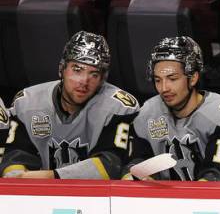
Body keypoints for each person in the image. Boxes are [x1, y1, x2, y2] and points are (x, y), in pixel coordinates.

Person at [0, 31, 140, 179]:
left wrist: (51, 177)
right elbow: (15, 155)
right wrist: (15, 176)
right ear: (61, 69)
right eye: (77, 70)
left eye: (94, 74)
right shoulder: (27, 102)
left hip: (98, 199)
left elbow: (112, 164)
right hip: (39, 196)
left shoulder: (119, 107)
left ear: (102, 79)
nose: (84, 81)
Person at [126, 36, 220, 181]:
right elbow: (136, 163)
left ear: (193, 78)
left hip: (210, 201)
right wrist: (137, 176)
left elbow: (219, 176)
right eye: (158, 80)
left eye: (173, 79)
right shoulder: (147, 113)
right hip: (161, 200)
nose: (163, 88)